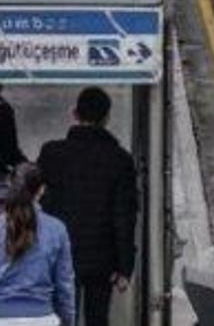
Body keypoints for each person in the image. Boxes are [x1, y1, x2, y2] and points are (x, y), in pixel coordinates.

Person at [37, 88, 138, 326]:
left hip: (57, 252)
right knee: (97, 318)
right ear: (107, 118)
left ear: (75, 114)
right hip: (101, 260)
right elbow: (124, 216)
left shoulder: (52, 153)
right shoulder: (120, 160)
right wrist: (124, 267)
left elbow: (34, 196)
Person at [0, 163, 76, 326]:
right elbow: (65, 287)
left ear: (9, 186)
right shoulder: (57, 229)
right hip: (41, 317)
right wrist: (67, 320)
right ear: (41, 190)